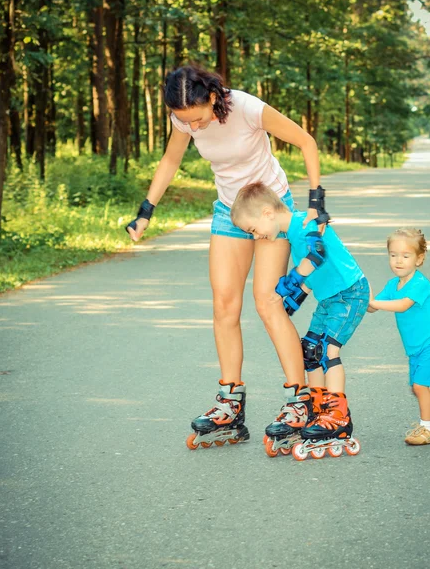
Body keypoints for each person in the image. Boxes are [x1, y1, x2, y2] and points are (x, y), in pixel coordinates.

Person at [125, 65, 329, 449]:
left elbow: (307, 142)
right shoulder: (183, 118)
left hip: (270, 209)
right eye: (185, 122)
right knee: (224, 305)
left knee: (268, 302)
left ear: (213, 98)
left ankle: (299, 400)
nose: (194, 127)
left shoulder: (248, 108)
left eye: (198, 119)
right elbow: (170, 160)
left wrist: (316, 204)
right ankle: (230, 403)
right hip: (229, 211)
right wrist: (145, 211)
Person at [230, 182, 370, 459]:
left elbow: (316, 256)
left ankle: (338, 415)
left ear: (267, 212)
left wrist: (294, 279)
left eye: (253, 229)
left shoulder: (302, 225)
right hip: (331, 298)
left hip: (350, 294)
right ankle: (318, 409)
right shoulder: (293, 232)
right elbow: (316, 274)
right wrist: (297, 297)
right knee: (309, 350)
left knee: (329, 351)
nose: (256, 236)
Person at [368, 228, 430, 445]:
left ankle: (426, 429)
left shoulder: (420, 283)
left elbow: (402, 305)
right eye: (393, 255)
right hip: (415, 347)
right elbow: (374, 307)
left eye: (405, 256)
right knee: (420, 387)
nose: (398, 261)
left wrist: (374, 303)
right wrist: (363, 297)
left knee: (420, 386)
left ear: (419, 259)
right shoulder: (393, 285)